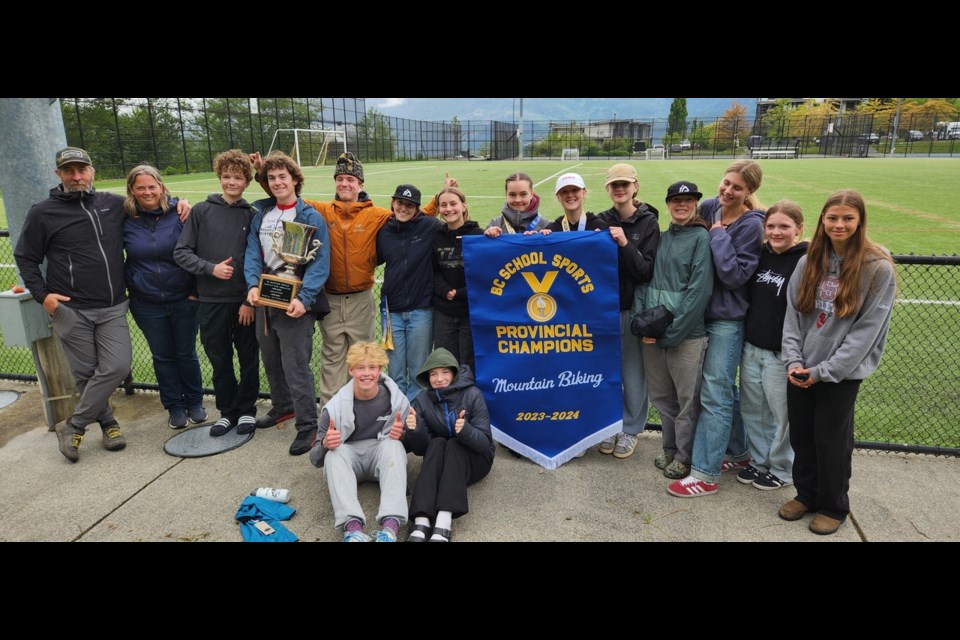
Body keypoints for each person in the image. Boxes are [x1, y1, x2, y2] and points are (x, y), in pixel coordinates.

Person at [14, 147, 188, 462]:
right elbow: (26, 256)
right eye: (69, 171)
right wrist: (44, 296)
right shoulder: (43, 212)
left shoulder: (113, 204)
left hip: (112, 307)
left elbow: (150, 203)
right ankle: (108, 424)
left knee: (117, 366)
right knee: (86, 373)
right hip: (71, 308)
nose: (77, 176)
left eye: (82, 170)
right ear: (59, 175)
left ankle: (75, 424)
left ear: (92, 171)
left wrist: (179, 204)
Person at [779, 190, 895, 535]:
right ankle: (806, 494)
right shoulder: (809, 261)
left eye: (847, 218)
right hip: (800, 369)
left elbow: (866, 333)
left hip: (838, 375)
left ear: (859, 221)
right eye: (832, 218)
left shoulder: (877, 268)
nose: (839, 225)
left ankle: (833, 505)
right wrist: (794, 361)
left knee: (831, 441)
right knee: (802, 436)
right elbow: (793, 316)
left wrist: (823, 372)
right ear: (822, 221)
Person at [668, 160, 765, 498]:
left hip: (727, 319)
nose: (727, 191)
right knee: (725, 390)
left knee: (715, 393)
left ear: (749, 192)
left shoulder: (753, 225)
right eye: (725, 183)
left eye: (737, 188)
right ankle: (739, 453)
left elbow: (735, 276)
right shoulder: (710, 206)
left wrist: (719, 234)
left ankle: (705, 474)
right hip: (701, 314)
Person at [245, 152, 330, 455]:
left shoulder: (308, 216)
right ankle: (282, 407)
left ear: (295, 179)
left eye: (283, 176)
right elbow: (253, 254)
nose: (278, 182)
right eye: (272, 178)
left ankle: (308, 426)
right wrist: (252, 285)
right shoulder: (261, 215)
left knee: (296, 367)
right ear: (267, 184)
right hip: (265, 301)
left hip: (295, 304)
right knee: (271, 360)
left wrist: (305, 300)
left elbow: (320, 264)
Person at [174, 149, 259, 441]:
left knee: (248, 357)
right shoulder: (201, 211)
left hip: (244, 304)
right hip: (211, 302)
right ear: (219, 177)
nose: (231, 182)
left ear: (247, 181)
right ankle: (227, 412)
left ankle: (247, 408)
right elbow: (181, 252)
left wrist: (249, 299)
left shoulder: (252, 214)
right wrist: (211, 269)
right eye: (226, 176)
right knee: (219, 359)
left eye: (238, 177)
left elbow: (257, 260)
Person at [633, 181, 712, 480]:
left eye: (688, 200)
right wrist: (643, 325)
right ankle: (669, 448)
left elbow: (698, 292)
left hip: (686, 335)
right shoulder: (661, 238)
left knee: (687, 400)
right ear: (668, 203)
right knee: (662, 397)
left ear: (695, 204)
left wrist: (672, 333)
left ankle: (685, 455)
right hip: (653, 336)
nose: (682, 205)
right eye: (676, 200)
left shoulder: (700, 238)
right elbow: (644, 280)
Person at [122, 165, 205, 429]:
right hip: (146, 302)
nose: (147, 192)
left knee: (186, 353)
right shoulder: (123, 217)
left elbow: (196, 251)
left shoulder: (181, 213)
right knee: (163, 356)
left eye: (151, 186)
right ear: (132, 191)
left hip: (183, 297)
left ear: (161, 186)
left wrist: (195, 291)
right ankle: (175, 407)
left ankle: (195, 402)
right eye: (140, 188)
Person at [737, 201, 808, 491]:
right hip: (752, 346)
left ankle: (783, 467)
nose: (776, 232)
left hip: (782, 353)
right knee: (754, 410)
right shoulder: (761, 254)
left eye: (784, 226)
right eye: (771, 226)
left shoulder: (806, 259)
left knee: (782, 415)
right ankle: (760, 460)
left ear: (799, 229)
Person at [309, 342, 411, 542]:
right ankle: (353, 529)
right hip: (349, 459)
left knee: (394, 444)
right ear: (351, 370)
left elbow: (411, 448)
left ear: (380, 370)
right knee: (334, 454)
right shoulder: (333, 408)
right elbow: (314, 459)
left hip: (379, 456)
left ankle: (390, 527)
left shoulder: (397, 401)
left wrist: (406, 435)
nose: (366, 373)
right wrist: (324, 445)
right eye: (360, 368)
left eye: (372, 367)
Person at [596, 164, 660, 459]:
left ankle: (631, 429)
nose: (619, 189)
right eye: (614, 185)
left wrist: (623, 243)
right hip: (603, 309)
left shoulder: (648, 223)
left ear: (635, 186)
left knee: (633, 372)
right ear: (608, 189)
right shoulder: (601, 220)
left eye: (625, 184)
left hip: (632, 307)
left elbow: (645, 270)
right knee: (607, 371)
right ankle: (610, 425)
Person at [404, 347, 494, 542]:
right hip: (443, 460)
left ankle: (444, 521)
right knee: (437, 443)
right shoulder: (421, 400)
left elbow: (485, 445)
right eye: (433, 374)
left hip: (475, 459)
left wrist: (466, 431)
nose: (439, 378)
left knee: (453, 443)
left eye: (445, 372)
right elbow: (420, 449)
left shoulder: (472, 394)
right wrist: (414, 429)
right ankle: (421, 519)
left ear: (454, 373)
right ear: (427, 377)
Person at [376, 184, 444, 400]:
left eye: (409, 205)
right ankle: (398, 415)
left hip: (421, 310)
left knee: (418, 371)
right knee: (395, 371)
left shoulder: (430, 227)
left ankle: (417, 419)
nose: (403, 208)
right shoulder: (384, 231)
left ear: (417, 209)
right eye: (399, 203)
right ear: (393, 203)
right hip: (392, 311)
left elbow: (456, 230)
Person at [430, 186, 484, 372]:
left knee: (469, 364)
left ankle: (469, 400)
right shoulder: (436, 237)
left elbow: (483, 275)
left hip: (470, 312)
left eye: (453, 203)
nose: (448, 209)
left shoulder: (479, 235)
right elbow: (433, 271)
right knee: (446, 363)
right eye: (443, 205)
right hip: (444, 311)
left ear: (463, 206)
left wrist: (460, 293)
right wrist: (445, 290)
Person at [483, 172, 550, 237]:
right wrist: (488, 236)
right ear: (506, 195)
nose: (518, 200)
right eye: (512, 194)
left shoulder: (546, 226)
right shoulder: (495, 225)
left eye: (523, 194)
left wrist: (546, 238)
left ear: (531, 194)